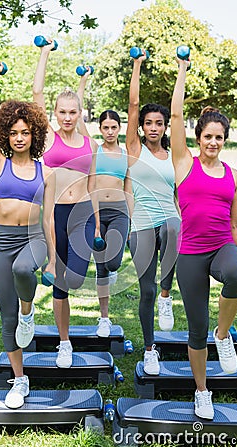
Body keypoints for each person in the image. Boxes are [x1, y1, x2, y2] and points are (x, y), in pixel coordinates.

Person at [170, 55, 237, 420]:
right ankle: (202, 391)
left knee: (236, 274)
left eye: (219, 137)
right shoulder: (185, 163)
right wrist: (182, 73)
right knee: (195, 327)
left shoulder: (235, 176)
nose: (213, 142)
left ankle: (225, 333)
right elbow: (174, 119)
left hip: (221, 246)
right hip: (190, 254)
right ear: (198, 138)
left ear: (224, 140)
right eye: (207, 136)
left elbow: (236, 222)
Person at [0, 63, 56, 409]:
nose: (19, 137)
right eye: (13, 132)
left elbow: (51, 219)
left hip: (33, 239)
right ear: (6, 135)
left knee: (25, 271)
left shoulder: (46, 172)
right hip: (0, 242)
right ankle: (20, 379)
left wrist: (54, 259)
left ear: (34, 134)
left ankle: (29, 310)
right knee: (6, 318)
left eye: (25, 132)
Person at [33, 42, 100, 368]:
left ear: (80, 113)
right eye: (62, 112)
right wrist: (45, 53)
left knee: (73, 278)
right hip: (55, 211)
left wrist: (99, 223)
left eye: (73, 112)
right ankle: (64, 342)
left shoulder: (90, 143)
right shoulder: (49, 137)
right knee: (60, 284)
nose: (68, 117)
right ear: (55, 114)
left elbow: (93, 186)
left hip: (83, 213)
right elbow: (37, 95)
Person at [126, 51, 180, 375]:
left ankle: (166, 294)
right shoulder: (135, 149)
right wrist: (137, 66)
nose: (154, 127)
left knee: (174, 226)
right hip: (141, 224)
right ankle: (149, 349)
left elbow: (177, 194)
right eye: (149, 123)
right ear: (142, 126)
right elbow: (133, 105)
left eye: (159, 123)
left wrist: (181, 70)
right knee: (144, 290)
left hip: (168, 220)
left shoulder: (174, 155)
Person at [77, 70, 133, 337]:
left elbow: (129, 187)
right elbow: (77, 122)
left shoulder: (126, 153)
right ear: (100, 129)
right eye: (105, 127)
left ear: (119, 128)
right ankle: (104, 318)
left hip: (121, 211)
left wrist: (133, 221)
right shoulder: (95, 149)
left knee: (112, 262)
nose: (109, 131)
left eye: (114, 127)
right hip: (97, 212)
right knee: (101, 268)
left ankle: (113, 269)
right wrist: (84, 81)